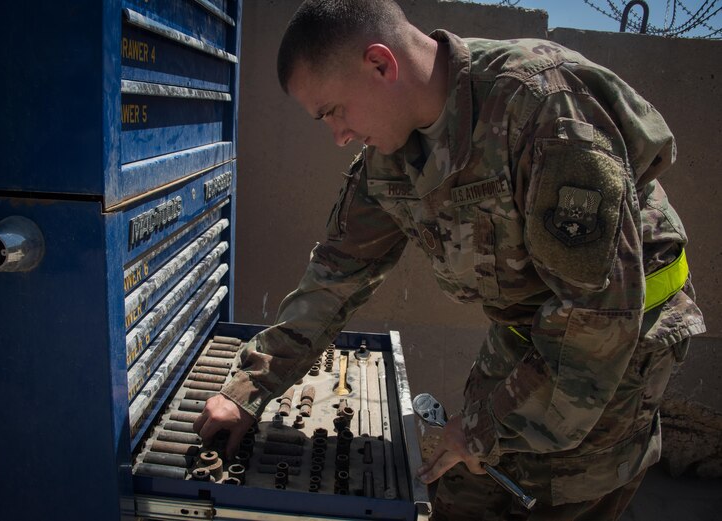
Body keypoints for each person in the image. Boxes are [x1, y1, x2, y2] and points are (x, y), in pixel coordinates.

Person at [193, 0, 706, 518]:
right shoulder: (389, 156)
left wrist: (482, 429)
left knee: (557, 497)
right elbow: (336, 275)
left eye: (334, 111)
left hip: (623, 342)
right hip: (529, 333)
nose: (338, 135)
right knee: (460, 485)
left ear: (380, 64)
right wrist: (250, 388)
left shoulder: (545, 110)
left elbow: (597, 318)